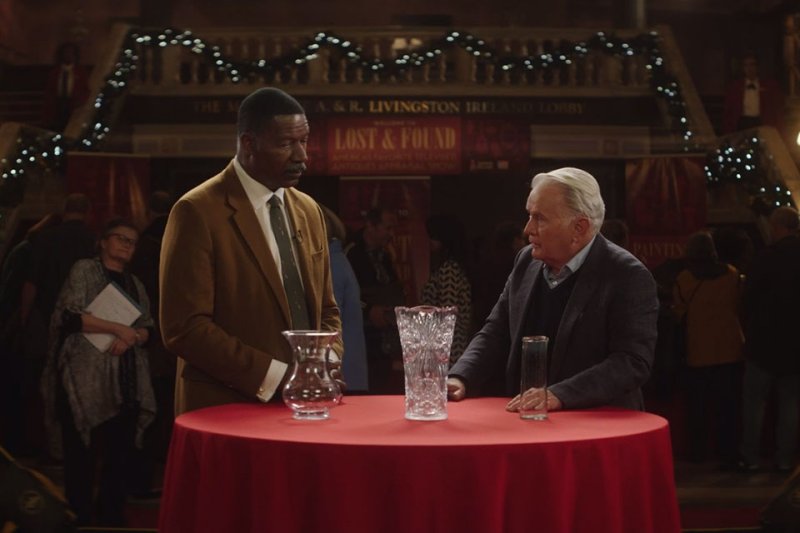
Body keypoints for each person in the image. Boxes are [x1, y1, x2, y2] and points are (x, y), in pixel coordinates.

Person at [160, 87, 342, 415]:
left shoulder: (309, 210)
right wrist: (279, 377)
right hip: (225, 406)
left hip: (306, 403)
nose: (302, 156)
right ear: (248, 144)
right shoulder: (197, 211)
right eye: (286, 144)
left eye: (304, 141)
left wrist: (325, 361)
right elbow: (185, 328)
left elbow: (327, 310)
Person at [447, 167, 658, 412]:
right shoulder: (526, 261)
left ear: (579, 227)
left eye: (540, 218)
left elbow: (632, 361)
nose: (527, 229)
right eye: (529, 215)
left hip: (596, 422)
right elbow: (496, 331)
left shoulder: (628, 275)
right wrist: (461, 376)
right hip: (528, 419)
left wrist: (560, 394)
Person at [40, 218, 156, 525]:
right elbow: (70, 316)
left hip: (127, 377)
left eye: (132, 242)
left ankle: (110, 513)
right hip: (86, 375)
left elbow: (148, 329)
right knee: (81, 451)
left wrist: (133, 336)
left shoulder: (135, 283)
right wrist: (118, 329)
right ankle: (79, 514)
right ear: (103, 242)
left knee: (120, 451)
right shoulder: (84, 269)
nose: (127, 245)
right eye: (121, 238)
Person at [672, 231, 744, 466]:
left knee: (698, 408)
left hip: (698, 351)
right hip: (730, 349)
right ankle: (727, 452)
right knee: (728, 408)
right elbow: (738, 304)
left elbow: (679, 312)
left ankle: (698, 452)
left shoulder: (685, 279)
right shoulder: (732, 274)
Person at [739, 206, 800, 472]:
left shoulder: (765, 258)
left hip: (762, 342)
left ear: (778, 227)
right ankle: (784, 459)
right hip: (795, 343)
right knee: (790, 404)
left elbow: (747, 299)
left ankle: (750, 457)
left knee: (754, 404)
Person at [128, 190, 174, 498]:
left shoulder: (143, 245)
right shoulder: (180, 237)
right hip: (174, 337)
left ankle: (141, 479)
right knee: (164, 409)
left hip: (147, 337)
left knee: (147, 410)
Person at [346, 207, 404, 393]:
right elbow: (344, 295)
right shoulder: (351, 254)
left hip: (384, 337)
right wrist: (368, 309)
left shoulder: (385, 255)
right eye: (388, 228)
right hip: (360, 336)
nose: (391, 234)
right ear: (371, 226)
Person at [320, 204, 368, 392]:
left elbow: (330, 320)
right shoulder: (338, 259)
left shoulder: (332, 264)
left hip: (341, 373)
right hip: (348, 369)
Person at [420, 214, 473, 364]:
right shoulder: (451, 268)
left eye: (432, 237)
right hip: (449, 347)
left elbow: (447, 317)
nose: (429, 242)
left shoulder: (449, 270)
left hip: (449, 350)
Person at [722, 52, 784, 134]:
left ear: (757, 67)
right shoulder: (735, 87)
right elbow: (729, 111)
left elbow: (776, 108)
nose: (749, 68)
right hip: (742, 123)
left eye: (752, 65)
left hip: (761, 122)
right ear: (743, 68)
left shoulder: (769, 85)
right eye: (746, 65)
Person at [42, 42, 91, 132]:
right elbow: (49, 92)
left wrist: (80, 102)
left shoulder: (80, 72)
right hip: (58, 105)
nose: (68, 55)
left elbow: (85, 90)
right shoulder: (54, 72)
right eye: (66, 53)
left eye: (71, 53)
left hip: (73, 105)